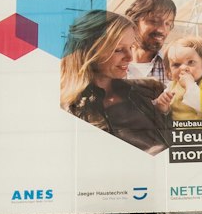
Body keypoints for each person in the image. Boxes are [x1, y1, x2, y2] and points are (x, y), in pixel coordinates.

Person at [58, 9, 174, 154]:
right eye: (118, 49)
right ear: (88, 51)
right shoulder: (68, 111)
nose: (130, 57)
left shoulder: (152, 89)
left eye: (131, 47)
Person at [165, 35, 202, 122]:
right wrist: (162, 106)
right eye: (176, 65)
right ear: (169, 70)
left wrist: (190, 85)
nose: (183, 68)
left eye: (191, 62)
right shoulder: (172, 86)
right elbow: (166, 111)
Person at [121, 0, 177, 81]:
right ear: (134, 22)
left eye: (168, 24)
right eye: (154, 21)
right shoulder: (112, 64)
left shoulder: (172, 69)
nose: (162, 30)